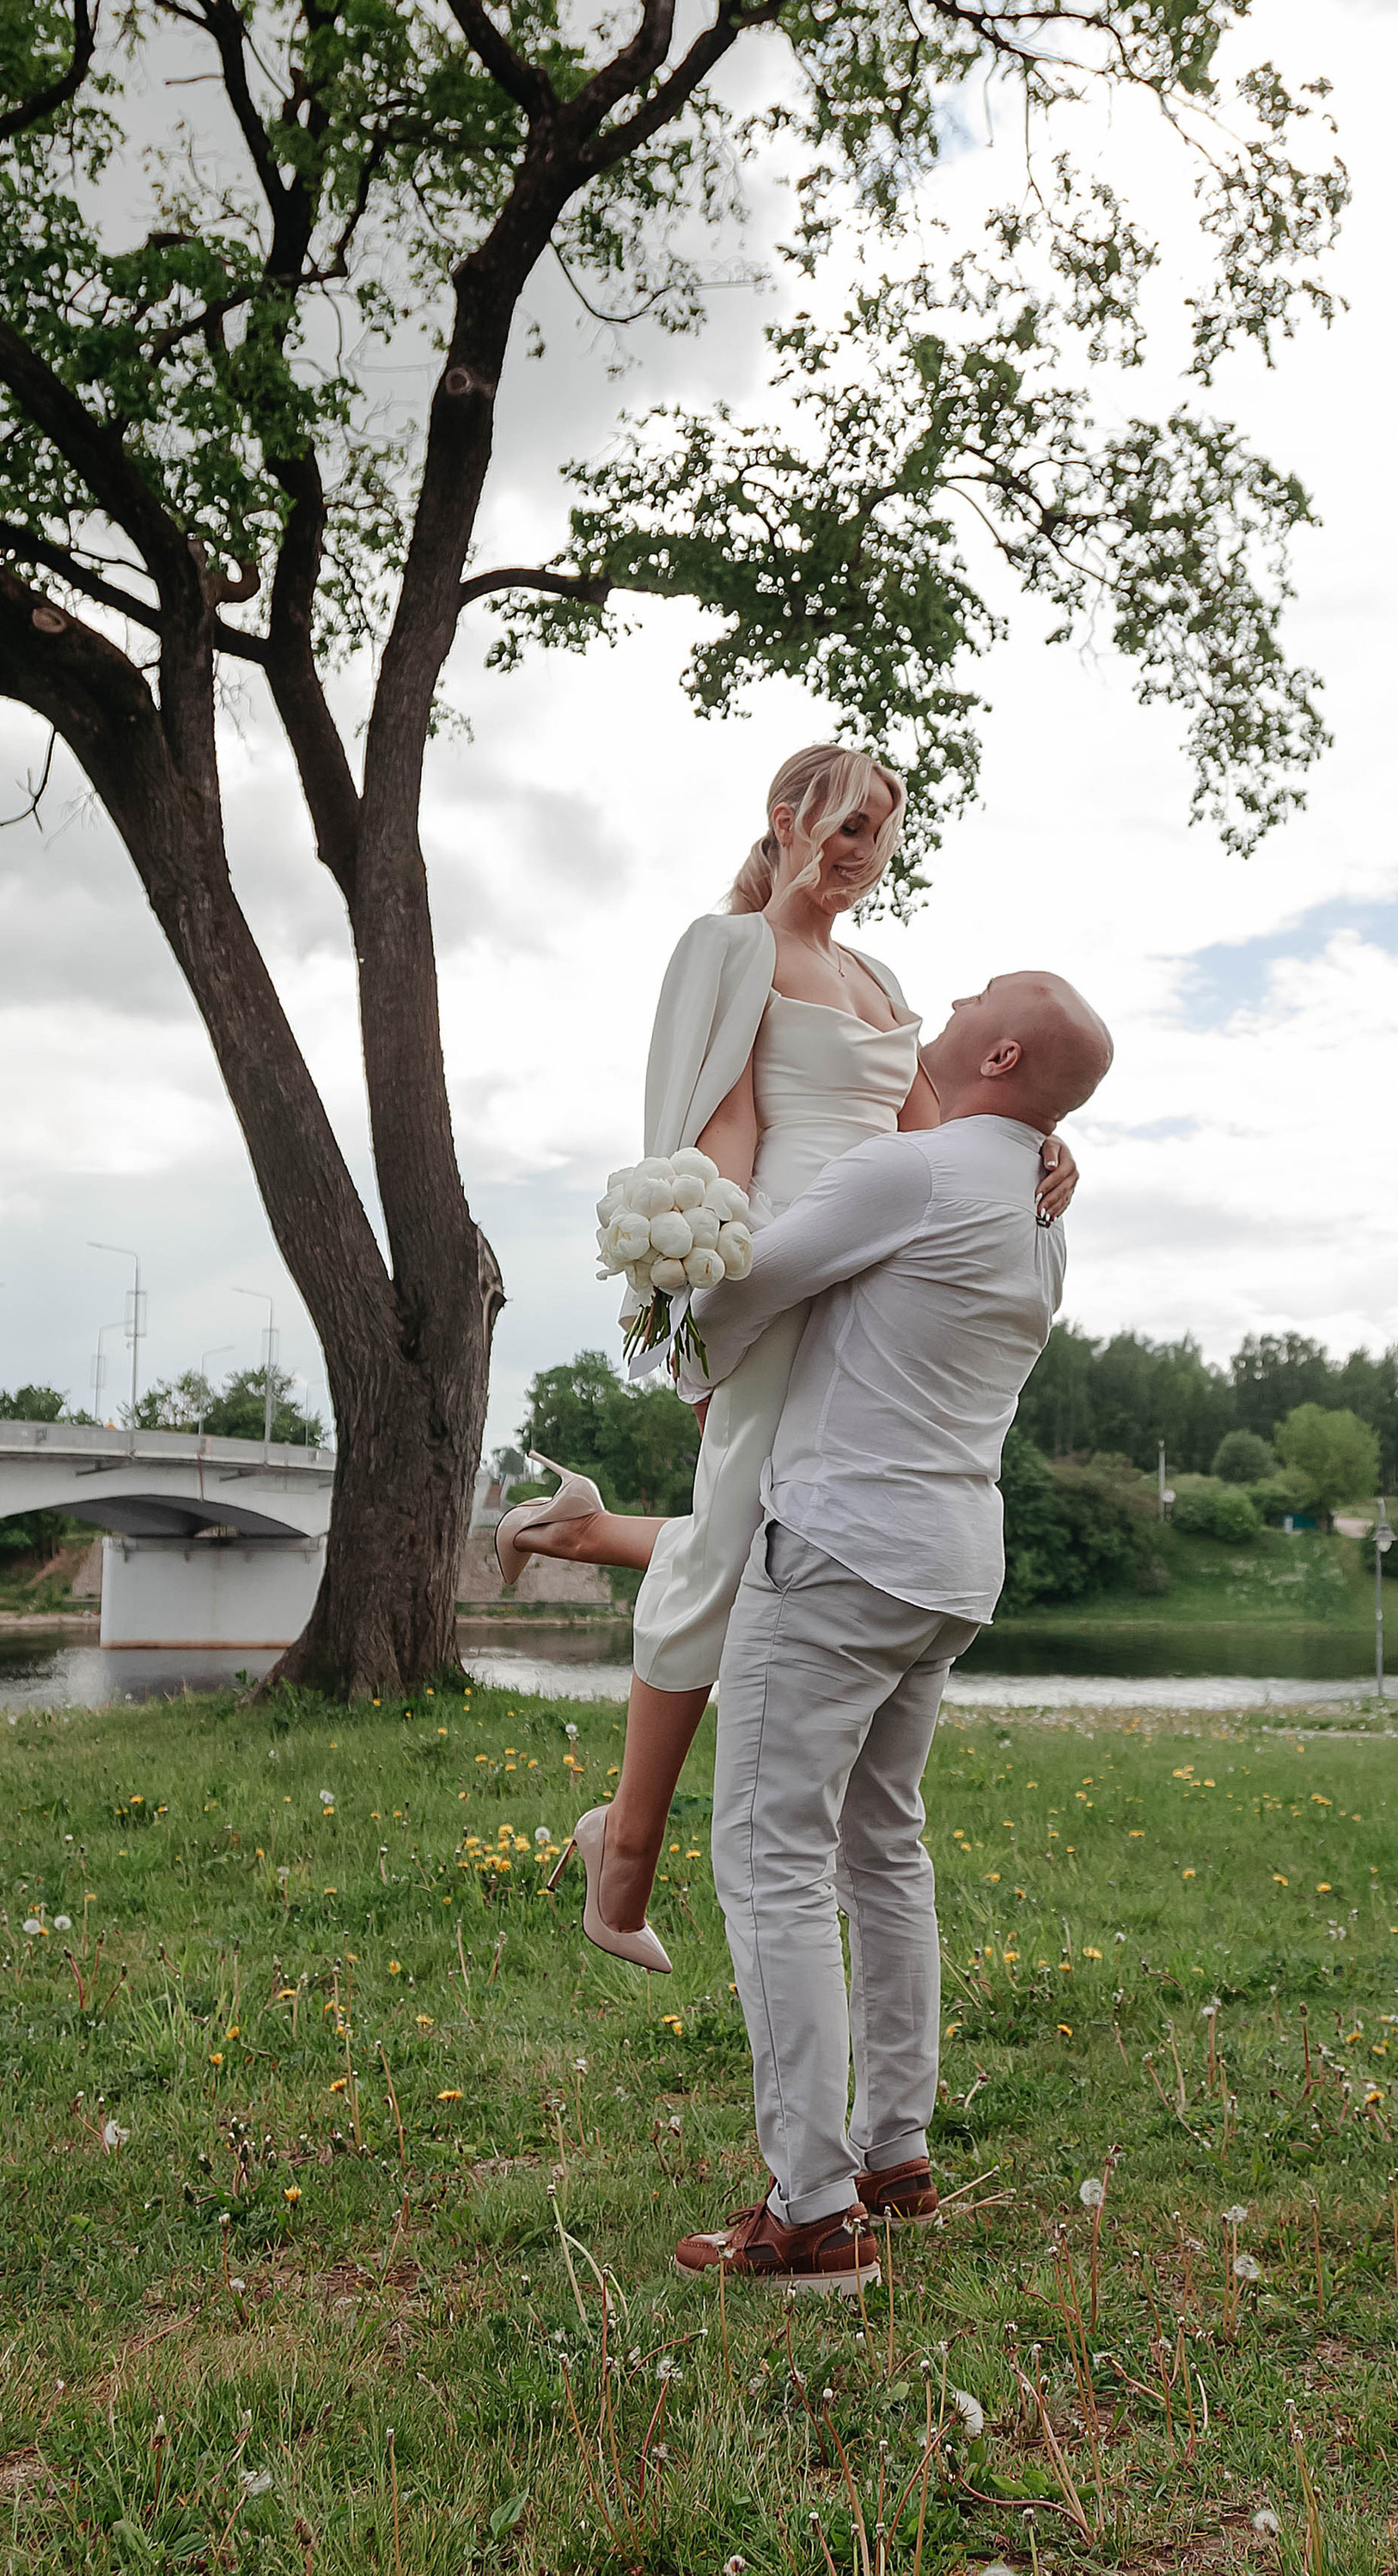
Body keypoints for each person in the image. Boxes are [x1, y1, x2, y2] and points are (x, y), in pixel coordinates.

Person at [498, 744, 1077, 1973]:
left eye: (884, 832)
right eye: (849, 824)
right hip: (783, 1263)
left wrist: (1041, 1149)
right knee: (735, 1527)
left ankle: (594, 1587)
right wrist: (719, 1291)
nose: (865, 851)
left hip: (878, 1271)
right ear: (789, 816)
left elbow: (937, 1127)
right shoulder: (732, 949)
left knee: (758, 1522)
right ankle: (628, 1853)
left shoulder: (877, 974)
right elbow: (717, 1127)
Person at [672, 969, 1114, 2292]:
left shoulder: (908, 1174)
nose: (961, 989)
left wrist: (686, 1350)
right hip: (945, 1566)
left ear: (1004, 1051)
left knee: (769, 1853)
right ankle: (894, 2149)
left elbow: (753, 1283)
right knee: (882, 1845)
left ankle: (811, 2208)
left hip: (840, 1548)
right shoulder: (1041, 1218)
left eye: (985, 991)